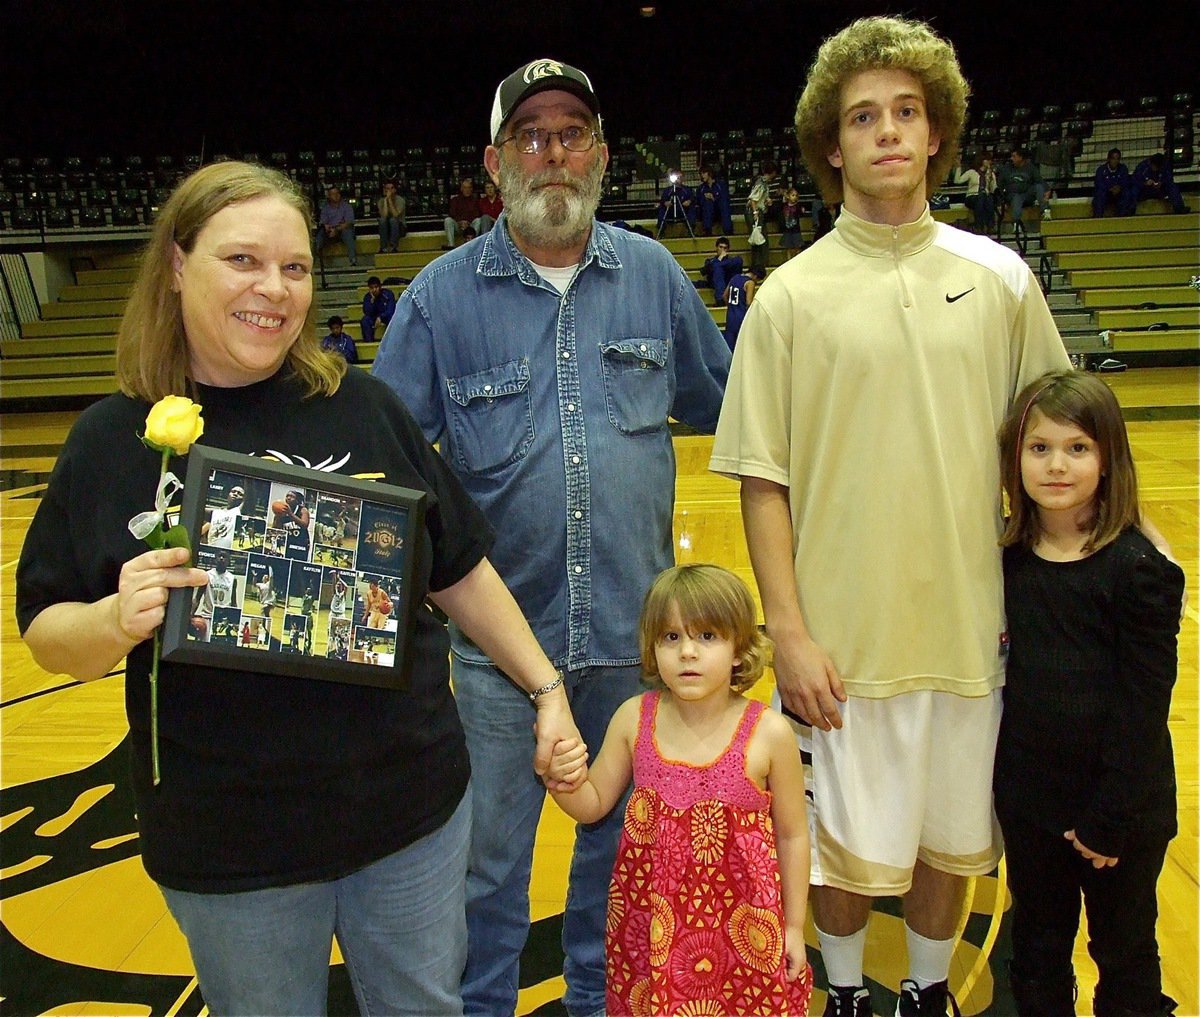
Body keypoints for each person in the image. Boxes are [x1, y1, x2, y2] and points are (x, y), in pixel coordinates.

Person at [15, 160, 582, 1017]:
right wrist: (111, 618)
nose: (274, 289)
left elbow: (457, 564)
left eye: (295, 267)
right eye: (243, 261)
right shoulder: (111, 439)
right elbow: (45, 627)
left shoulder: (364, 405)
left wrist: (545, 686)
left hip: (408, 816)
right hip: (231, 840)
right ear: (177, 264)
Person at [709, 17, 1072, 1017]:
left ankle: (921, 994)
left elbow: (1060, 441)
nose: (888, 134)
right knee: (839, 846)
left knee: (949, 836)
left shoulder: (1000, 279)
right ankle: (845, 996)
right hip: (839, 638)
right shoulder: (789, 298)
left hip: (968, 627)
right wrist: (786, 630)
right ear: (832, 144)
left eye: (907, 113)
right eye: (863, 117)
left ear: (935, 130)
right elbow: (761, 479)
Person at [373, 58, 730, 1017]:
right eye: (532, 135)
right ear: (496, 163)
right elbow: (386, 466)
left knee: (616, 871)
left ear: (604, 156)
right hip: (493, 658)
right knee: (486, 879)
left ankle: (595, 1005)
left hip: (633, 647)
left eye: (573, 133)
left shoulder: (654, 276)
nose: (554, 152)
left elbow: (729, 407)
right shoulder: (438, 301)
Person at [995, 371, 1184, 1017]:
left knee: (1125, 951)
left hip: (1122, 805)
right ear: (1014, 458)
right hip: (1033, 802)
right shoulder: (1005, 558)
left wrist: (1110, 815)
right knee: (1039, 951)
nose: (1056, 464)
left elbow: (1144, 704)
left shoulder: (1138, 567)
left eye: (1077, 448)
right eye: (1039, 447)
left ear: (1107, 458)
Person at [546, 564, 813, 1016]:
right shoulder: (635, 719)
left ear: (739, 648)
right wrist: (562, 779)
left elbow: (792, 834)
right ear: (652, 647)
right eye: (671, 638)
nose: (687, 652)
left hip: (745, 931)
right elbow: (592, 805)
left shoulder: (769, 734)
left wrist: (793, 925)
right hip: (652, 928)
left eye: (706, 636)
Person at [189, 550, 239, 642]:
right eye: (219, 556)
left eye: (224, 557)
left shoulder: (232, 579)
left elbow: (234, 603)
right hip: (207, 617)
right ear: (215, 559)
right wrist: (190, 615)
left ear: (228, 561)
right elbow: (197, 598)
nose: (221, 558)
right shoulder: (207, 575)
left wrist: (235, 621)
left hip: (223, 619)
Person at [999, 146, 1050, 227]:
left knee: (1038, 187)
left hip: (1027, 194)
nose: (1011, 158)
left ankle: (1045, 210)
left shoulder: (1030, 167)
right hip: (1013, 195)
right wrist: (1002, 201)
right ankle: (1017, 224)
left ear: (1021, 157)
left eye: (1014, 156)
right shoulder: (1006, 169)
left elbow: (1040, 181)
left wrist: (1047, 192)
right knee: (1016, 197)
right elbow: (1000, 186)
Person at [745, 160, 778, 272]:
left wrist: (766, 201)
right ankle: (759, 265)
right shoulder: (761, 183)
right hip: (755, 212)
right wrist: (755, 213)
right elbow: (753, 199)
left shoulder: (763, 183)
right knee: (758, 239)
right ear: (773, 172)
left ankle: (759, 264)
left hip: (759, 211)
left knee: (760, 239)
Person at [315, 184, 357, 266]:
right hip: (330, 230)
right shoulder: (325, 208)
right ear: (329, 196)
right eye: (333, 194)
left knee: (348, 233)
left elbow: (349, 222)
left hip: (342, 230)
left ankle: (353, 260)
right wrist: (328, 228)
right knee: (319, 237)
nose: (336, 196)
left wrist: (337, 229)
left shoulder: (347, 207)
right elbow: (323, 222)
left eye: (337, 193)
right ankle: (317, 262)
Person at [955, 152, 997, 232]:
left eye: (989, 160)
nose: (989, 162)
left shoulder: (990, 174)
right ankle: (989, 225)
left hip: (984, 197)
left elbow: (993, 189)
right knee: (982, 197)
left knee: (985, 197)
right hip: (972, 197)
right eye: (987, 160)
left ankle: (979, 226)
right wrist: (958, 167)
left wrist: (990, 178)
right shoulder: (972, 172)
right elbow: (957, 181)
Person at [722, 264, 761, 352]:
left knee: (729, 346)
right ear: (755, 276)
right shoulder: (750, 283)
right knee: (742, 348)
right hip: (741, 317)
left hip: (730, 316)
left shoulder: (735, 278)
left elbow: (724, 295)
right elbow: (748, 303)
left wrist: (731, 307)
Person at [444, 176, 485, 248]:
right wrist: (460, 222)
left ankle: (472, 244)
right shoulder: (455, 200)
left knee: (478, 220)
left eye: (469, 187)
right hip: (458, 226)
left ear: (472, 189)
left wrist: (467, 222)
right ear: (461, 189)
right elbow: (452, 213)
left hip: (470, 227)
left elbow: (477, 213)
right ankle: (451, 245)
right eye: (465, 188)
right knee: (448, 220)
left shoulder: (475, 200)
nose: (467, 190)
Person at [1092, 148, 1134, 218]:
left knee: (1127, 193)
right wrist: (1110, 189)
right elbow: (1099, 183)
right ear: (1108, 159)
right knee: (1099, 194)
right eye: (1113, 158)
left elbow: (1125, 181)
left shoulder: (1123, 168)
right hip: (1106, 193)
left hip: (1119, 193)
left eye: (1117, 159)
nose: (1115, 161)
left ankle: (1122, 217)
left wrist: (1119, 187)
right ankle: (1098, 217)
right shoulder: (1101, 170)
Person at [200, 482, 244, 547]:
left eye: (240, 494)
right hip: (210, 548)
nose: (235, 494)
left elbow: (249, 492)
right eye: (233, 491)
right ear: (228, 495)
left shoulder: (238, 511)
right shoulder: (216, 512)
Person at [702, 236, 743, 305]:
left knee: (737, 260)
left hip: (728, 282)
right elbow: (704, 271)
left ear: (728, 250)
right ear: (716, 248)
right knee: (717, 268)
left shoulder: (732, 261)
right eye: (720, 247)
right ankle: (720, 299)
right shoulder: (710, 261)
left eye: (725, 248)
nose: (722, 250)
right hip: (714, 282)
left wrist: (719, 263)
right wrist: (719, 259)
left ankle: (721, 299)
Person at [697, 163, 734, 235]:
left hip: (720, 211)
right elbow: (698, 201)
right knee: (708, 203)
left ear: (709, 173)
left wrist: (714, 198)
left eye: (704, 173)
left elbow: (725, 198)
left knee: (723, 204)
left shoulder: (721, 185)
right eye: (701, 174)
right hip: (707, 213)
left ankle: (728, 230)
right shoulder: (701, 188)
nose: (702, 176)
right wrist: (705, 198)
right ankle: (707, 230)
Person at [360, 276, 396, 343]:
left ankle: (392, 342)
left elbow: (391, 310)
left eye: (376, 287)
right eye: (371, 288)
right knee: (365, 320)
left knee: (392, 318)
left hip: (386, 316)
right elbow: (367, 312)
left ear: (380, 287)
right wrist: (372, 302)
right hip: (374, 318)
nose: (374, 290)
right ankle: (369, 343)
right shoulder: (367, 297)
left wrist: (381, 317)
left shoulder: (388, 294)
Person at [377, 179, 406, 253]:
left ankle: (394, 247)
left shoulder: (400, 200)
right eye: (387, 188)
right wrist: (386, 201)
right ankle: (383, 247)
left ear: (395, 190)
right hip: (387, 227)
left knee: (393, 220)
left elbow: (395, 215)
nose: (389, 190)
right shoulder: (381, 201)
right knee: (382, 221)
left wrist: (389, 200)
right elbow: (384, 215)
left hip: (399, 227)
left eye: (391, 188)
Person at [780, 185, 804, 259]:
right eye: (792, 195)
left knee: (797, 247)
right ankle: (788, 260)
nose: (794, 197)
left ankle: (797, 260)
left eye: (796, 195)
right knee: (788, 248)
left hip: (796, 229)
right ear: (788, 196)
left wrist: (802, 210)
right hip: (787, 230)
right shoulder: (784, 205)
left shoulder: (798, 206)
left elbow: (800, 213)